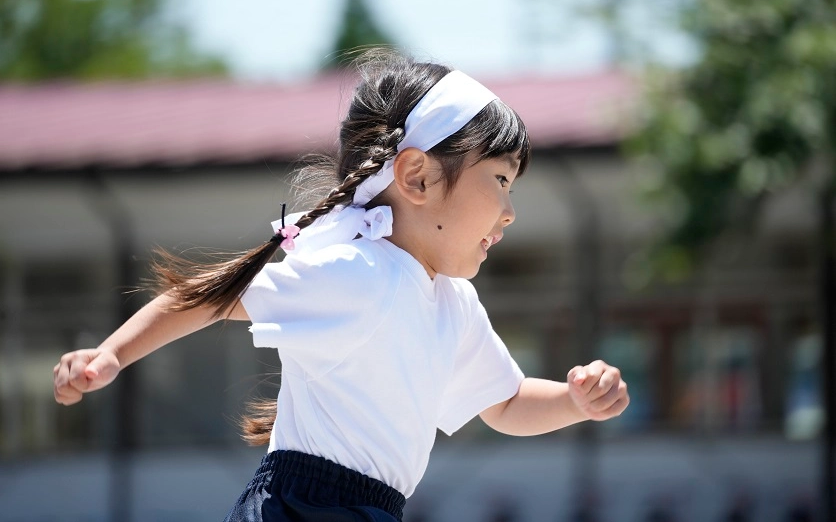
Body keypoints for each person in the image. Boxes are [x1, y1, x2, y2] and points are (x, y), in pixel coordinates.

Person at [53, 50, 629, 522]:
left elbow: (504, 402)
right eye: (500, 179)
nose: (508, 211)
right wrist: (110, 355)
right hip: (301, 507)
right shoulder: (361, 272)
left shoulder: (453, 302)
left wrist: (575, 401)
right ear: (417, 177)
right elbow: (206, 295)